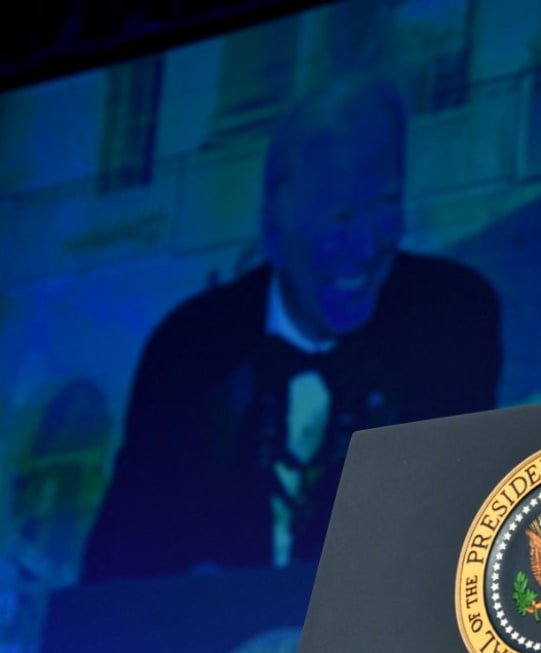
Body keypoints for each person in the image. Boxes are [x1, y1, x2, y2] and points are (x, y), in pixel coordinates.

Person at [80, 78, 503, 581]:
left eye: (386, 203)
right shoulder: (188, 349)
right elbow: (120, 564)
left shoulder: (450, 315)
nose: (367, 247)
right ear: (275, 235)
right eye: (341, 217)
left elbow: (443, 534)